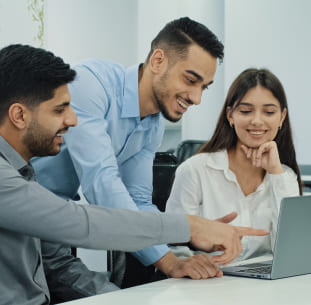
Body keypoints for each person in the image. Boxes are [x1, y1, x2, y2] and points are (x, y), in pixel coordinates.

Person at [0, 44, 269, 305]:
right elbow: (89, 207)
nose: (72, 120)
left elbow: (59, 263)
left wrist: (159, 270)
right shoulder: (92, 85)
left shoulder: (152, 126)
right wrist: (189, 228)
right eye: (60, 110)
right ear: (19, 115)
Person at [31, 16, 228, 288]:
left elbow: (138, 200)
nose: (196, 98)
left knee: (109, 294)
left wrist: (176, 254)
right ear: (158, 61)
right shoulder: (89, 84)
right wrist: (178, 246)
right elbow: (102, 184)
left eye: (204, 87)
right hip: (21, 215)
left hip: (53, 224)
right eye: (191, 80)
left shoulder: (152, 125)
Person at [166, 68, 302, 262]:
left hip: (267, 286)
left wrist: (276, 173)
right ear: (230, 115)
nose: (257, 121)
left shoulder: (285, 177)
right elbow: (171, 244)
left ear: (281, 117)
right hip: (208, 282)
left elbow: (294, 250)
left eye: (269, 112)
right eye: (246, 111)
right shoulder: (194, 170)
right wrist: (195, 251)